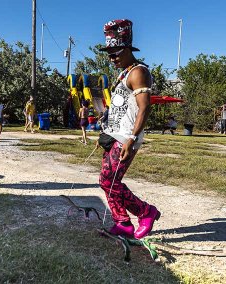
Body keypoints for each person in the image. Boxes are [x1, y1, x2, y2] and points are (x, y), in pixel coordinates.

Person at [97, 19, 159, 239]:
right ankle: (122, 224)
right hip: (114, 135)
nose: (112, 58)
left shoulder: (138, 72)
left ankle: (146, 212)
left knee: (108, 181)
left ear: (128, 49)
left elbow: (145, 107)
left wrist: (131, 139)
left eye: (116, 53)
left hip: (125, 137)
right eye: (109, 54)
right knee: (108, 181)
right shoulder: (124, 73)